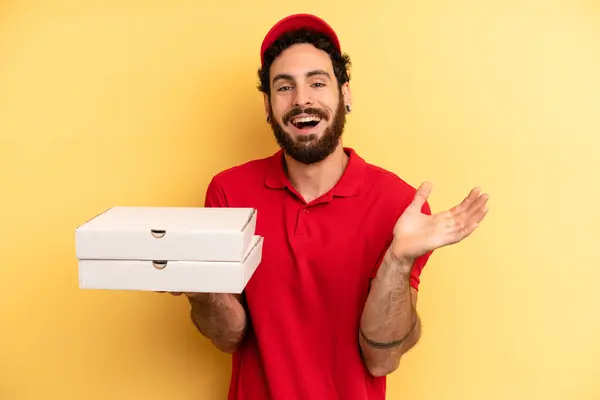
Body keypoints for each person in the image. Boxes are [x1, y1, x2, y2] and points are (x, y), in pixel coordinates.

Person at [179, 13, 489, 400]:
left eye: (318, 82)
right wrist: (198, 286)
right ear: (267, 105)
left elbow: (382, 361)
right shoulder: (228, 193)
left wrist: (397, 260)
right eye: (284, 87)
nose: (301, 98)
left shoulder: (399, 206)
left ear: (345, 94)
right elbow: (229, 337)